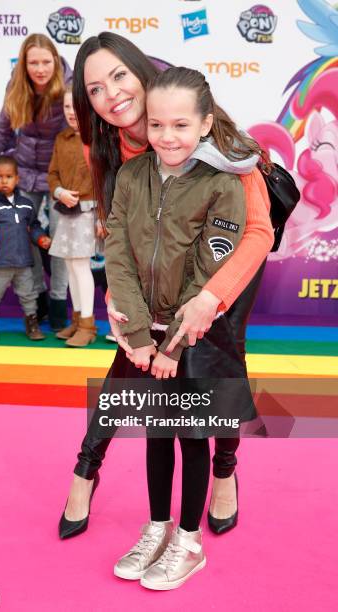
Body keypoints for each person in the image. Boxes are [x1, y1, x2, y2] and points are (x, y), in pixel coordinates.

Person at [59, 32, 273, 539]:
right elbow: (117, 229)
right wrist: (120, 299)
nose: (111, 94)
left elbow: (257, 231)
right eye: (94, 89)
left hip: (226, 260)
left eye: (118, 76)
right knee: (129, 357)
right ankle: (86, 470)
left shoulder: (208, 132)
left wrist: (208, 299)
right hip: (151, 271)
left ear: (141, 71)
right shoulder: (107, 144)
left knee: (216, 365)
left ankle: (223, 471)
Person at [108, 65, 259, 591]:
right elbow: (118, 255)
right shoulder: (131, 176)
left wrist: (170, 344)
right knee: (156, 433)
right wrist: (138, 338)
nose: (166, 137)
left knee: (193, 438)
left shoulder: (224, 184)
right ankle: (158, 526)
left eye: (179, 125)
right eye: (156, 125)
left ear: (205, 124)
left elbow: (210, 268)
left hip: (196, 332)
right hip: (146, 336)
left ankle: (189, 540)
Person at [0, 33, 72, 330]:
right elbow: (1, 132)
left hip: (59, 174)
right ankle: (38, 300)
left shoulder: (69, 89)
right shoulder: (17, 89)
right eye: (33, 62)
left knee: (61, 241)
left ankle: (60, 302)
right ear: (24, 65)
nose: (40, 69)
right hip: (24, 170)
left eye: (46, 62)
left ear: (56, 62)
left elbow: (80, 137)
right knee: (24, 237)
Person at [0, 155, 50, 341]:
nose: (4, 181)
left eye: (9, 176)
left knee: (29, 295)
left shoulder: (26, 205)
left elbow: (34, 226)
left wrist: (41, 238)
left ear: (17, 179)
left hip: (23, 262)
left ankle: (32, 323)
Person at [48, 86, 97, 347]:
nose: (71, 112)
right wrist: (59, 191)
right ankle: (78, 320)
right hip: (65, 210)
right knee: (69, 265)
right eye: (67, 107)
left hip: (88, 211)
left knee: (80, 266)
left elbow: (105, 179)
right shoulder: (61, 139)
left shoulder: (98, 139)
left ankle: (88, 324)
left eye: (76, 107)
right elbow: (52, 173)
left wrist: (102, 217)